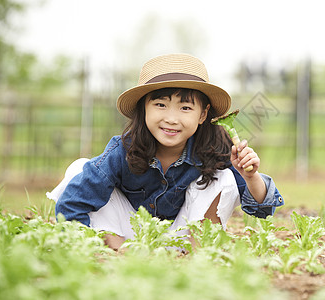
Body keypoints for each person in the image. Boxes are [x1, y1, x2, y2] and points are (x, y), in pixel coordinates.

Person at [47, 53, 284, 250]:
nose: (171, 119)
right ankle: (121, 253)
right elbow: (72, 205)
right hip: (128, 237)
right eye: (160, 104)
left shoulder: (216, 148)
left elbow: (263, 209)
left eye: (185, 107)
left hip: (183, 238)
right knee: (80, 168)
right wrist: (81, 242)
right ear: (144, 109)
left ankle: (195, 255)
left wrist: (250, 177)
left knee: (226, 179)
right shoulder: (122, 149)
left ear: (203, 114)